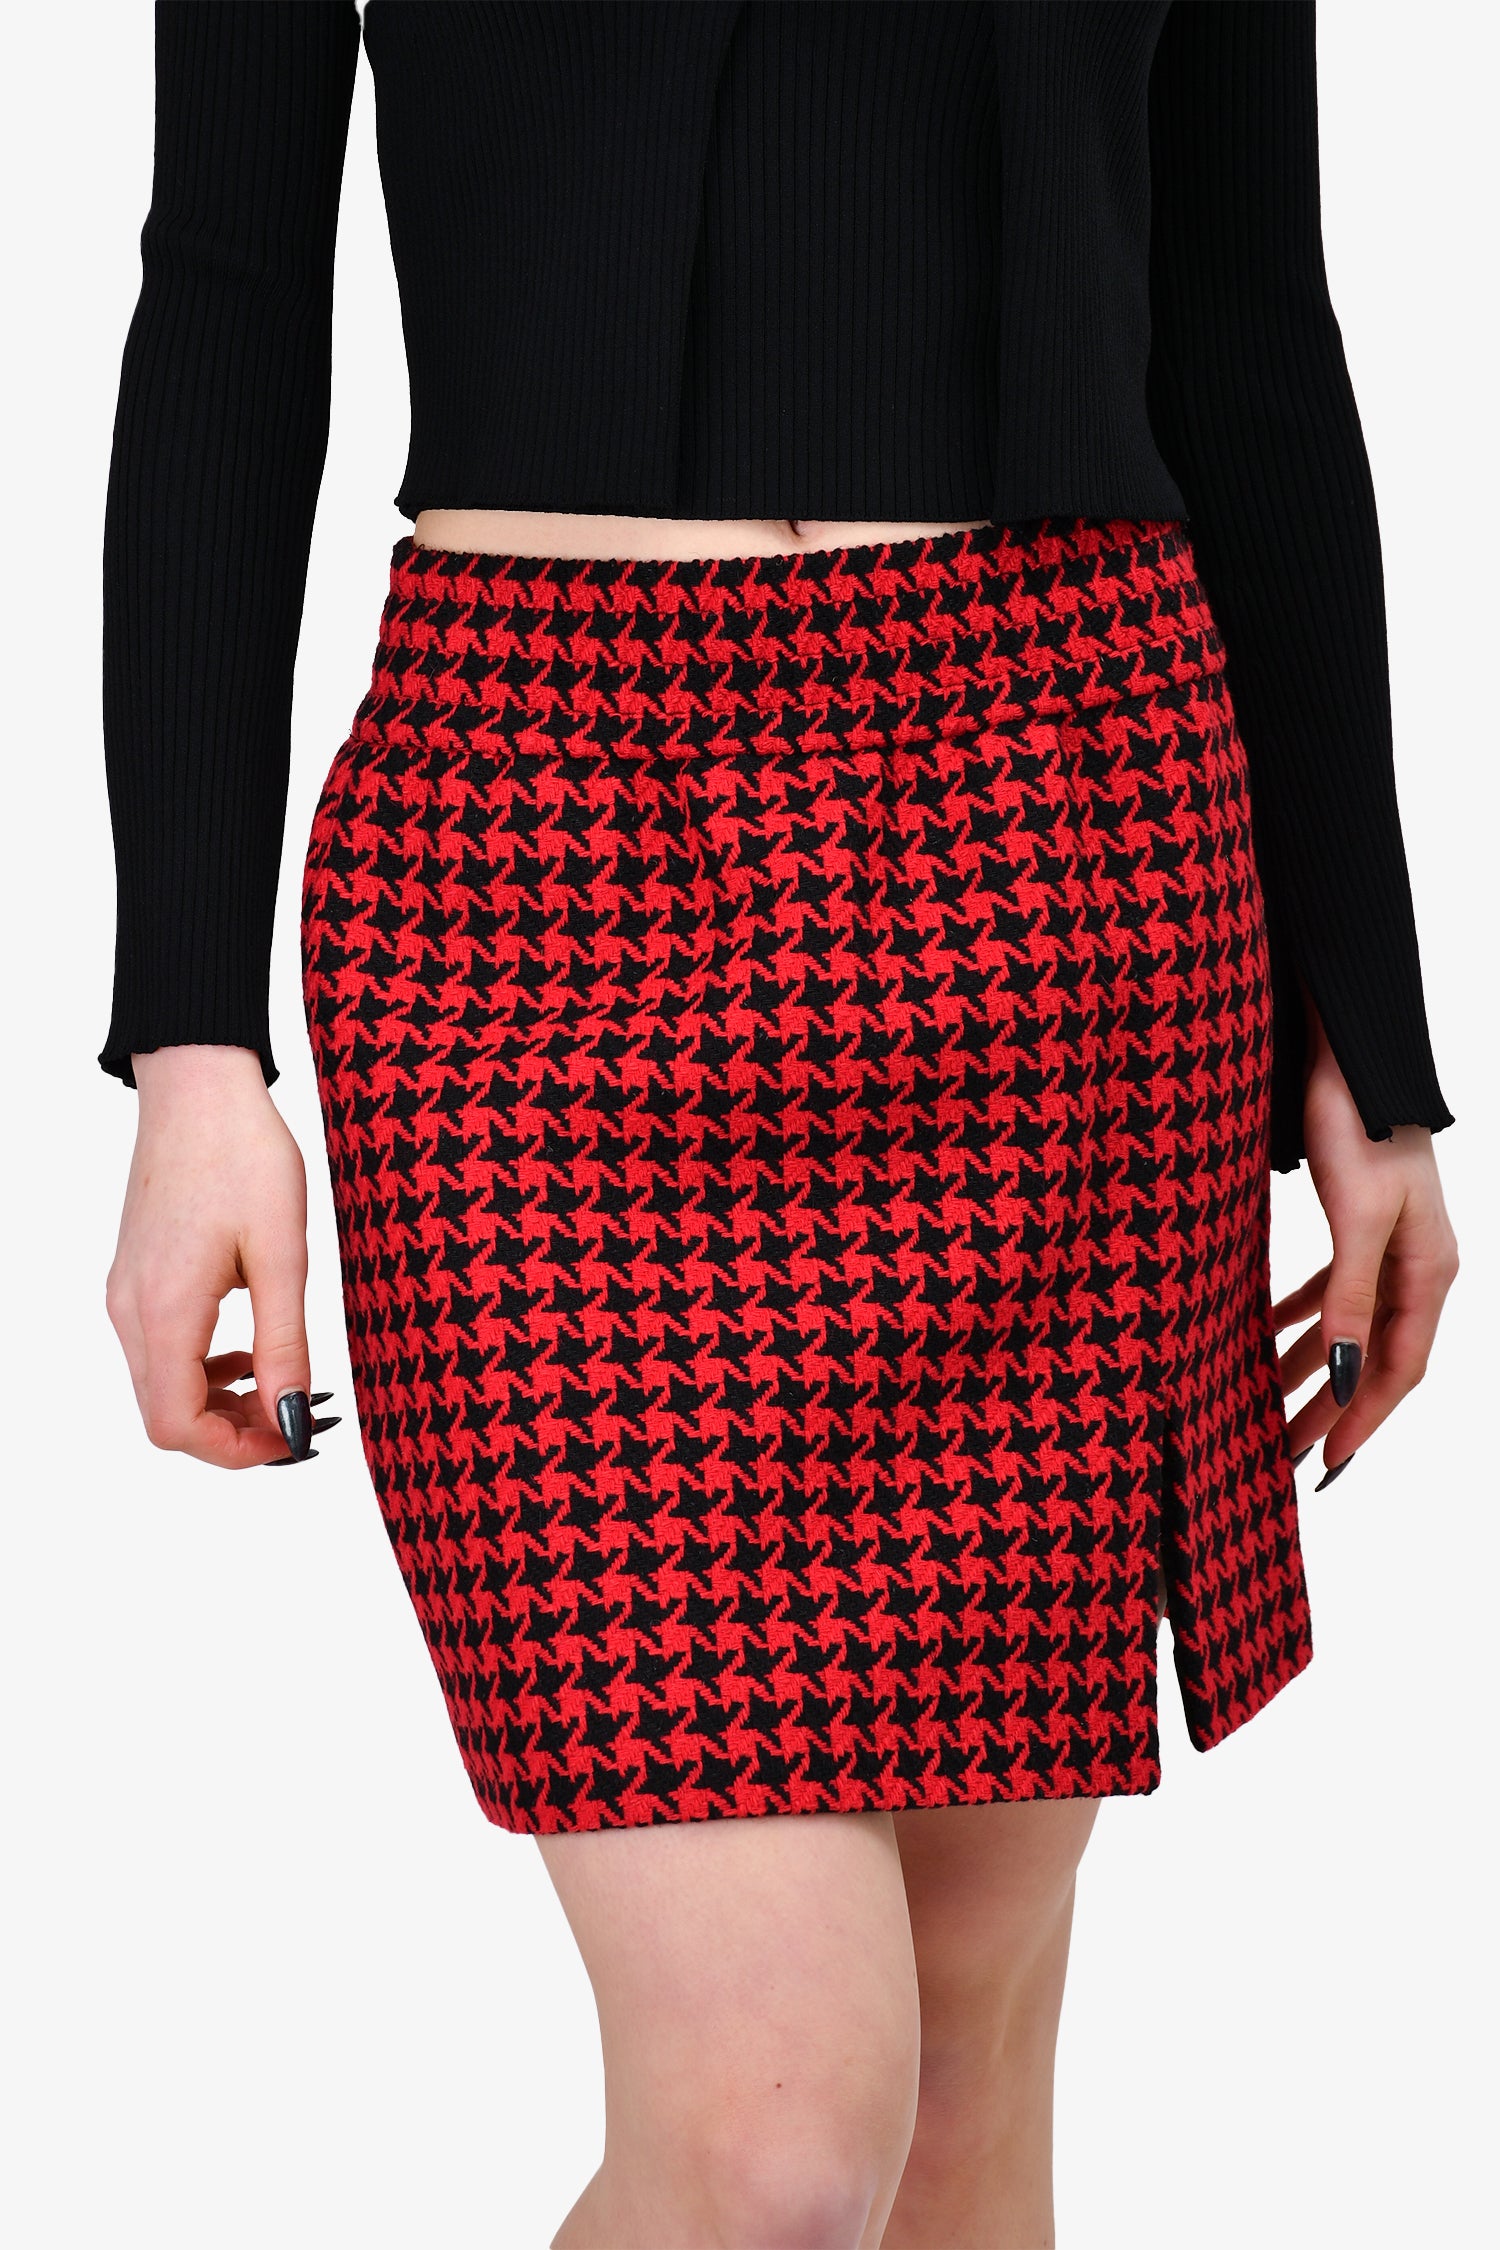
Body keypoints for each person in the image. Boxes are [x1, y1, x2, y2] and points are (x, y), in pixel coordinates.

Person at [98, 6, 1458, 2245]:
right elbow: (229, 291)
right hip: (532, 855)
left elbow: (1248, 305)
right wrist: (189, 1045)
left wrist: (1373, 1052)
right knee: (775, 2147)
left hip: (1059, 828)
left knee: (960, 2073)